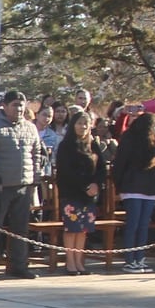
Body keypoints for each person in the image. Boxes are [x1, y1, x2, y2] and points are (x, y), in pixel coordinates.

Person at [0, 90, 46, 279]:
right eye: (15, 104)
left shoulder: (30, 128)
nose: (19, 108)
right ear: (4, 106)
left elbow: (36, 154)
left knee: (21, 228)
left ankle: (19, 265)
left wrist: (34, 180)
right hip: (0, 187)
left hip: (24, 185)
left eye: (22, 105)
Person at [52, 109, 104, 276]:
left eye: (86, 123)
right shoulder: (66, 146)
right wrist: (83, 187)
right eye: (80, 123)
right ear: (73, 125)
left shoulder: (93, 144)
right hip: (72, 192)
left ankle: (80, 261)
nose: (83, 126)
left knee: (83, 230)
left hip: (90, 195)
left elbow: (101, 167)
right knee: (72, 228)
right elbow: (65, 172)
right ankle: (70, 262)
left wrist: (96, 184)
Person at [110, 111, 155, 273]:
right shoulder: (129, 139)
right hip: (132, 187)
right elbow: (120, 164)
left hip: (149, 189)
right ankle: (129, 259)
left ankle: (140, 258)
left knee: (144, 225)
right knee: (132, 224)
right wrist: (120, 185)